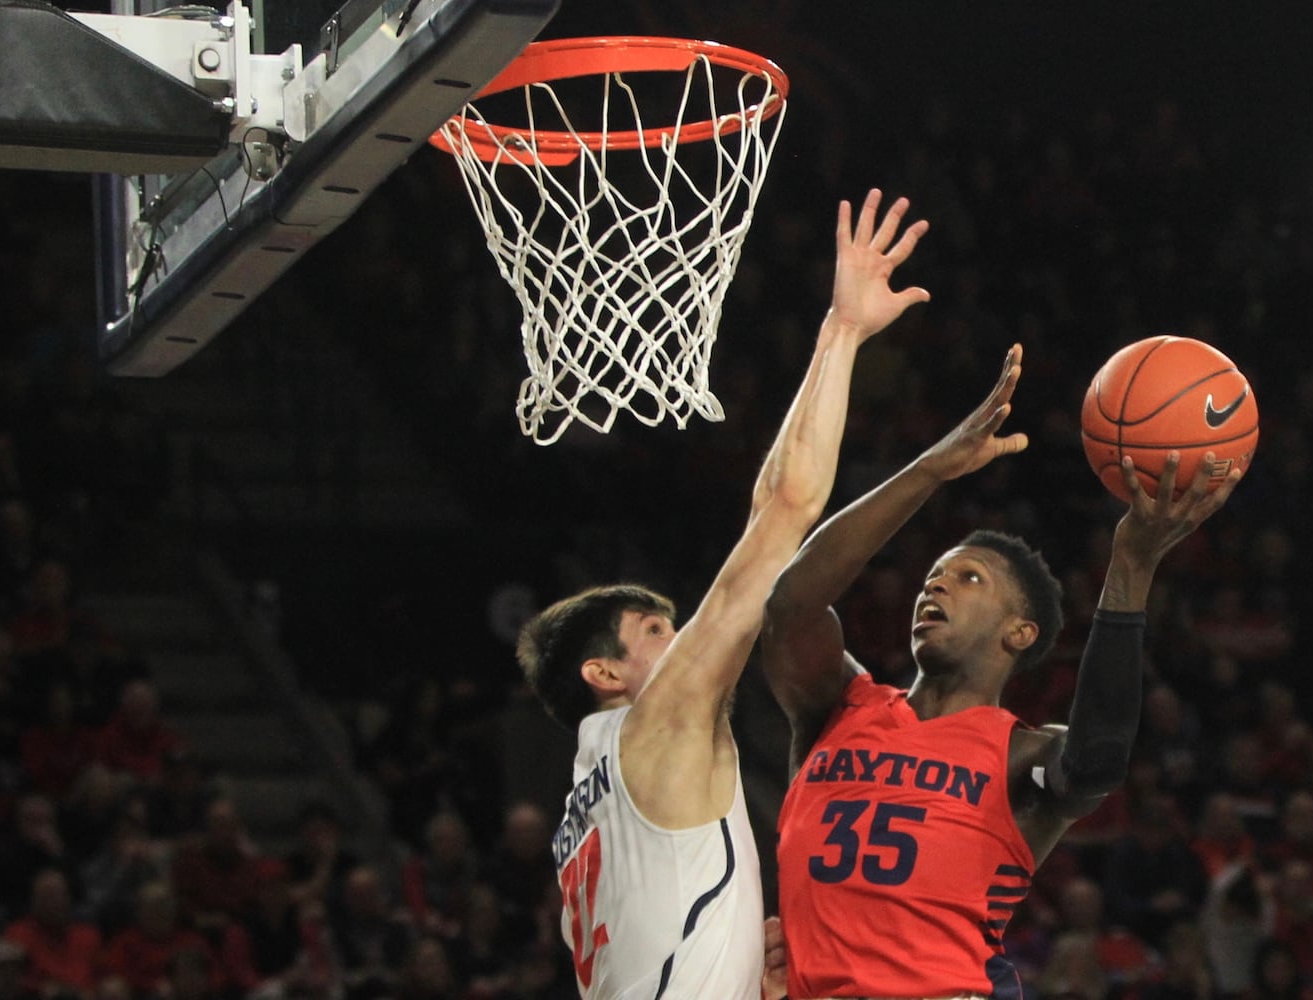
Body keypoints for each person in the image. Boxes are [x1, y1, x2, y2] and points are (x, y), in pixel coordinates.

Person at [514, 190, 932, 999]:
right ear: (604, 673)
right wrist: (841, 331)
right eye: (653, 630)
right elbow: (784, 509)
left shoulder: (580, 813)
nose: (683, 641)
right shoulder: (653, 724)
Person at [763, 356, 1240, 999]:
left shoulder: (1023, 755)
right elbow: (792, 604)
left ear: (1020, 632)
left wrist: (1131, 565)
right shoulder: (838, 706)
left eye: (970, 578)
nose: (937, 583)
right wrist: (930, 470)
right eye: (936, 573)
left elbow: (1098, 758)